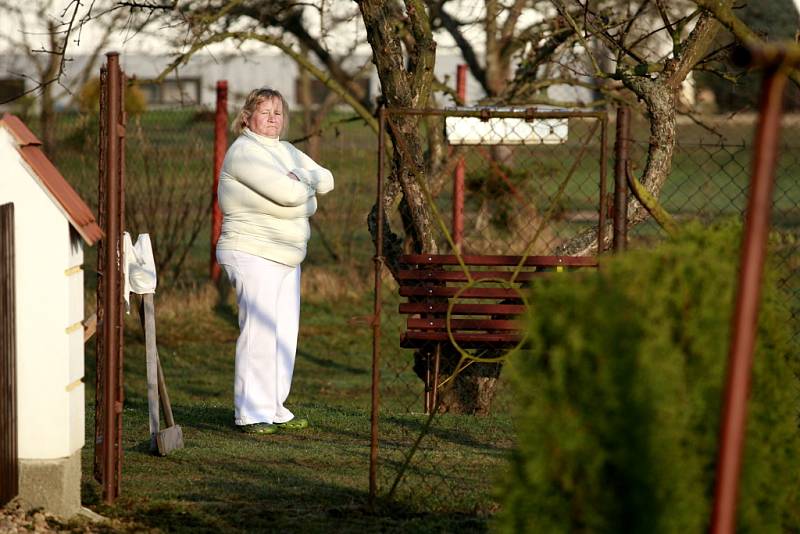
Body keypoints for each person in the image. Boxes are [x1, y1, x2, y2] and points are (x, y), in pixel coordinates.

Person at [216, 88, 334, 434]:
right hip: (251, 251)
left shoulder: (286, 150)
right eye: (264, 112)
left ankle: (274, 407)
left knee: (284, 333)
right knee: (259, 331)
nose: (272, 119)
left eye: (278, 113)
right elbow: (289, 194)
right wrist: (302, 190)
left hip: (287, 254)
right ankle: (251, 412)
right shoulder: (244, 153)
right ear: (247, 117)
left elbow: (325, 180)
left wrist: (304, 184)